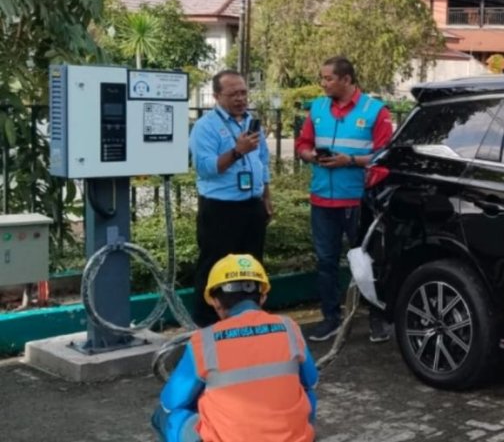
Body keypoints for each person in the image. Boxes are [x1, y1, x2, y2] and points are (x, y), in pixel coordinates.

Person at [151, 254, 318, 442]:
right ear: (262, 297)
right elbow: (311, 381)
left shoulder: (204, 340)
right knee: (306, 393)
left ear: (215, 301)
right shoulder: (289, 328)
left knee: (163, 415)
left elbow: (171, 401)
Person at [294, 56, 394, 343]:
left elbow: (386, 156)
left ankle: (378, 319)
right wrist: (311, 156)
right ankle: (330, 319)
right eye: (322, 78)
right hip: (322, 199)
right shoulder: (317, 108)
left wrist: (349, 160)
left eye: (329, 78)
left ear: (347, 79)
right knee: (325, 261)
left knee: (367, 262)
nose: (324, 83)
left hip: (358, 201)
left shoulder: (375, 111)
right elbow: (303, 144)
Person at [189, 70, 273, 327]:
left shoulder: (251, 122)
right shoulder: (206, 127)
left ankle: (248, 321)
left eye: (243, 92)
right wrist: (237, 151)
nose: (240, 98)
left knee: (251, 267)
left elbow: (263, 162)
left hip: (252, 206)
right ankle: (207, 325)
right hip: (220, 210)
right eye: (233, 94)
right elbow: (205, 167)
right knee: (214, 268)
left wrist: (267, 197)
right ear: (216, 96)